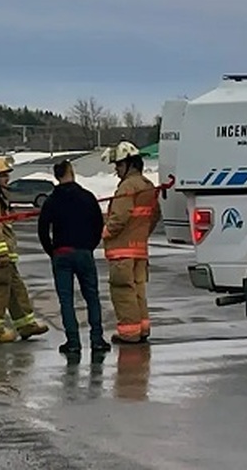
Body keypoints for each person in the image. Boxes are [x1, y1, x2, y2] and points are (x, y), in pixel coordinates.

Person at [37, 160, 111, 356]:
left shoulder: (51, 201)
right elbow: (98, 224)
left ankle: (73, 341)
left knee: (66, 300)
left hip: (61, 253)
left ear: (56, 176)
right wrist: (89, 246)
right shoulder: (87, 197)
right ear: (71, 172)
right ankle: (96, 339)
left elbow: (42, 229)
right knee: (92, 297)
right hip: (84, 252)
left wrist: (52, 251)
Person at [0, 155, 49, 344]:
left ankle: (26, 324)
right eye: (3, 176)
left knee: (17, 289)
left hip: (6, 254)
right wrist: (0, 252)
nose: (7, 180)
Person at [101, 141, 162, 344]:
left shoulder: (127, 186)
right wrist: (142, 234)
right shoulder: (148, 185)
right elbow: (154, 215)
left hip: (122, 253)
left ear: (129, 164)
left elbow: (119, 216)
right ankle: (142, 329)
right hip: (140, 252)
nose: (117, 171)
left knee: (123, 292)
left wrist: (105, 233)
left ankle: (129, 333)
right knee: (138, 292)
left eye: (118, 166)